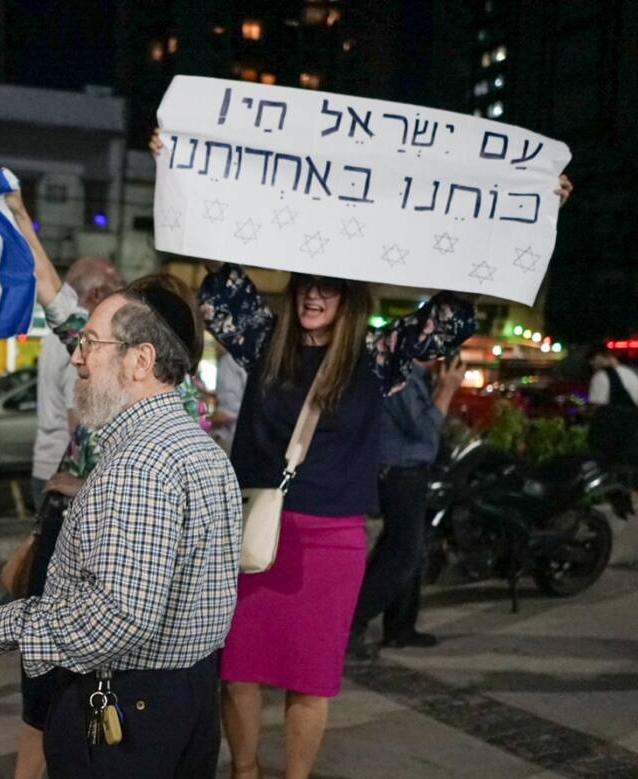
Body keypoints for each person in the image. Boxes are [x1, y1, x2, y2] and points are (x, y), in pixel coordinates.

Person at [154, 129, 570, 779]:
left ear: (351, 298)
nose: (315, 295)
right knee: (237, 668)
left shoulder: (376, 356)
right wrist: (177, 166)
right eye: (305, 285)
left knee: (310, 681)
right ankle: (245, 772)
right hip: (253, 533)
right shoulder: (263, 339)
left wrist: (535, 211)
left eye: (331, 287)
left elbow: (453, 313)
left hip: (331, 542)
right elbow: (217, 272)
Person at [0, 272, 242, 777]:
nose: (76, 357)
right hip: (188, 699)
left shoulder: (140, 464)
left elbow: (119, 616)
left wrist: (1, 627)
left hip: (130, 708)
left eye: (91, 343)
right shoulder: (196, 447)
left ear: (140, 360)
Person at [0, 189, 212, 779]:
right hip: (82, 534)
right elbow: (52, 295)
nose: (81, 354)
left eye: (98, 333)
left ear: (146, 347)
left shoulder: (153, 429)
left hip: (118, 558)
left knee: (77, 697)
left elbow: (122, 616)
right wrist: (19, 216)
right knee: (46, 699)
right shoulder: (187, 434)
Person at [346, 355, 465, 659]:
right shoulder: (399, 376)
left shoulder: (414, 375)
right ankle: (350, 624)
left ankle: (400, 627)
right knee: (403, 553)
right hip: (398, 473)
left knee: (407, 549)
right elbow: (423, 428)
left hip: (409, 471)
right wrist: (447, 389)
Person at [30, 256, 121, 510]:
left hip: (46, 463)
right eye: (118, 286)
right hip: (66, 473)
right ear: (97, 293)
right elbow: (80, 420)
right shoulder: (86, 342)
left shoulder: (52, 338)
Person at [211, 347, 248, 452]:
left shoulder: (229, 361)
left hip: (231, 440)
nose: (215, 345)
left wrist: (201, 423)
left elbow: (228, 412)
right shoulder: (246, 358)